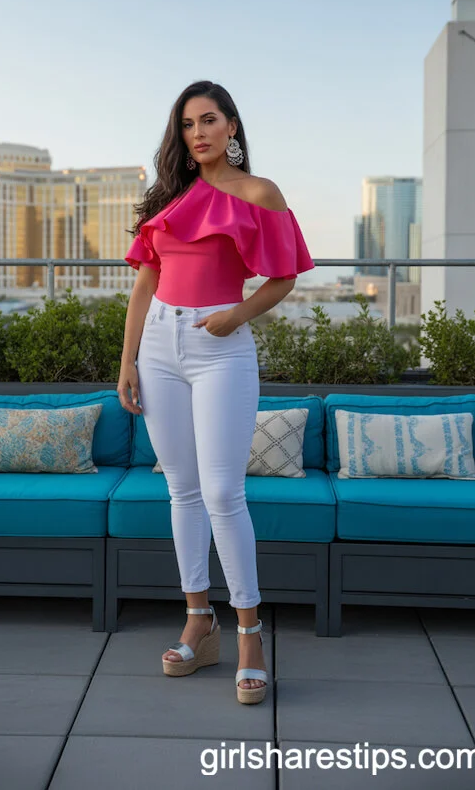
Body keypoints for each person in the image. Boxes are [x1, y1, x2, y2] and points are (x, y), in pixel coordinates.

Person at [117, 80, 315, 705]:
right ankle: (199, 622)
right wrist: (127, 361)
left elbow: (283, 277)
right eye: (187, 124)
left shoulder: (259, 193)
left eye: (208, 120)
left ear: (231, 125)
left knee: (224, 492)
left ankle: (250, 635)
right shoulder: (170, 197)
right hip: (159, 345)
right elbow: (146, 280)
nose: (197, 133)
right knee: (181, 489)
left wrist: (236, 316)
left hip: (219, 346)